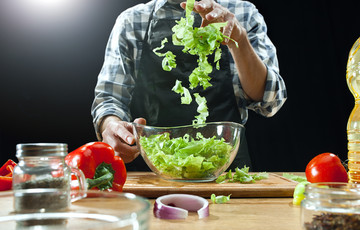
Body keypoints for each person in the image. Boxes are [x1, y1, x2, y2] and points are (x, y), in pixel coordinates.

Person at [91, 0, 287, 171]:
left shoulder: (243, 12)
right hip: (153, 172)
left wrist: (239, 39)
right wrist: (111, 126)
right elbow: (110, 97)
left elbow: (269, 99)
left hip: (226, 171)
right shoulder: (132, 21)